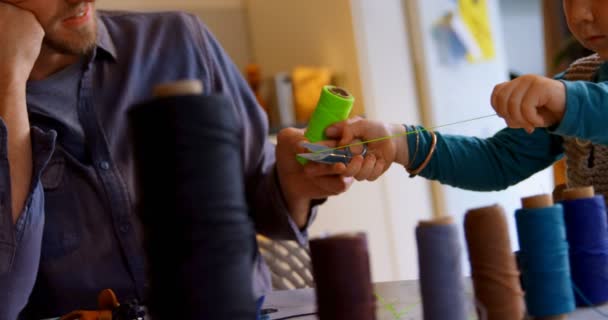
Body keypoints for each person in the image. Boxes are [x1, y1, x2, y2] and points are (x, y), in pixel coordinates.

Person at [0, 0, 353, 318]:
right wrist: (9, 85)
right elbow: (5, 298)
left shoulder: (177, 41)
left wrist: (292, 185)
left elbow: (263, 203)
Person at [327, 0, 608, 199]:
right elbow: (498, 161)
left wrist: (565, 100)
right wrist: (400, 141)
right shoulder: (579, 79)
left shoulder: (571, 92)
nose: (581, 13)